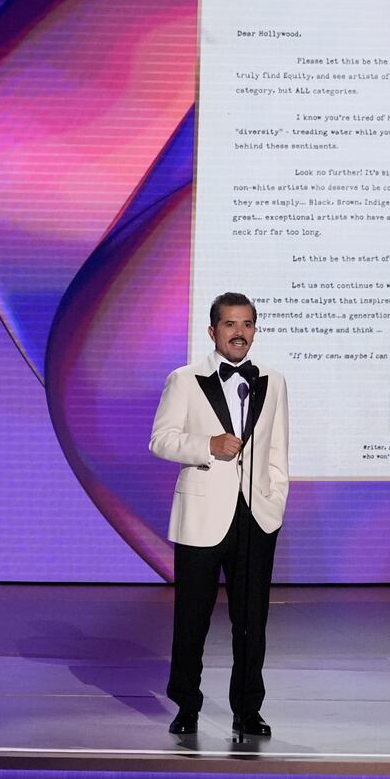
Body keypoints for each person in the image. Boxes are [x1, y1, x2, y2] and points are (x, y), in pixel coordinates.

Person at [149, 291, 289, 739]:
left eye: (247, 324)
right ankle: (186, 704)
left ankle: (248, 710)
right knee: (193, 618)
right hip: (202, 516)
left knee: (252, 621)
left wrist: (274, 501)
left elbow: (278, 450)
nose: (239, 333)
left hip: (255, 517)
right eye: (230, 325)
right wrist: (206, 445)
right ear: (213, 331)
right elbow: (161, 439)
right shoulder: (184, 379)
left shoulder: (273, 380)